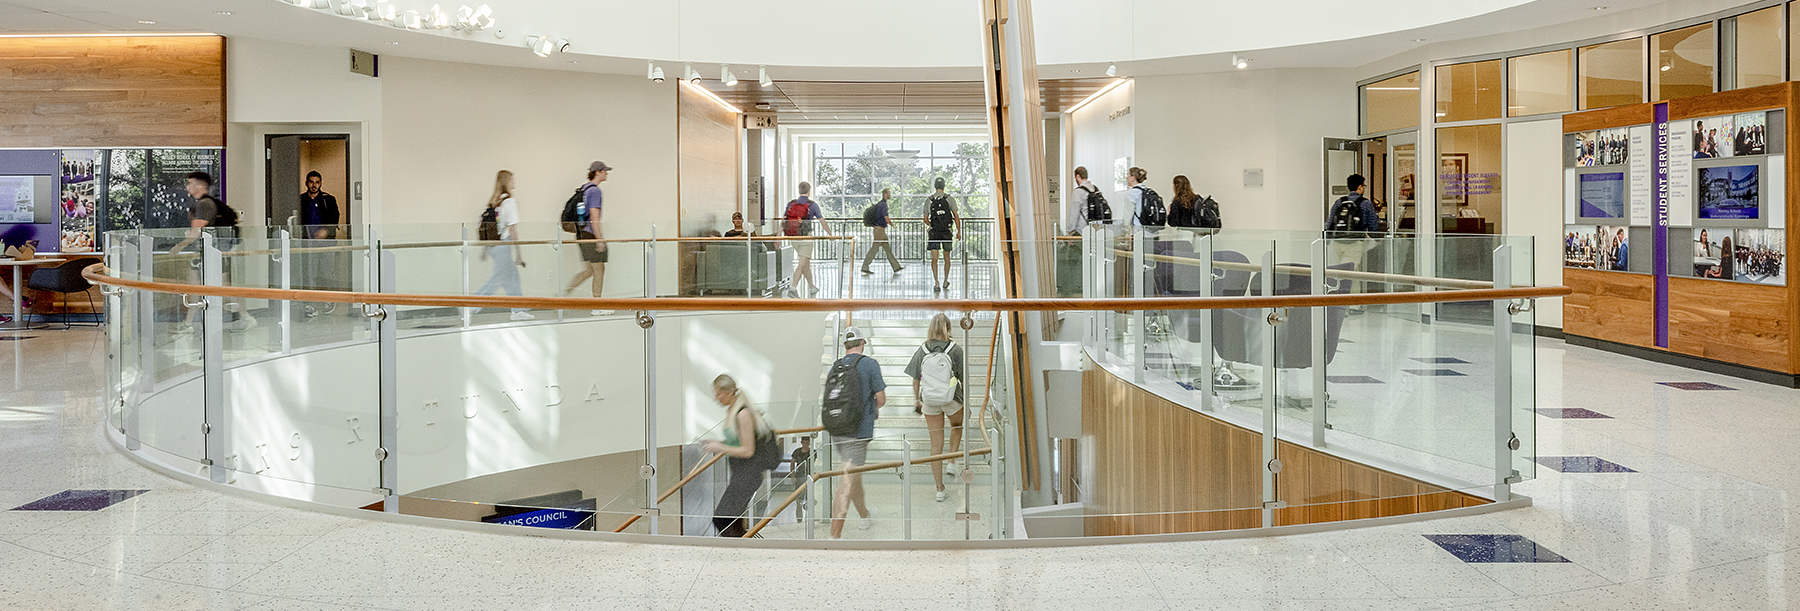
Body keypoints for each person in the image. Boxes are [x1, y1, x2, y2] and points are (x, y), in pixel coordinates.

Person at [168, 172, 251, 331]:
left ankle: (246, 317)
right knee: (197, 288)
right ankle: (189, 323)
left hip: (210, 253)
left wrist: (178, 246)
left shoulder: (204, 204)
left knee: (221, 287)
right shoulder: (205, 203)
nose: (188, 186)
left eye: (190, 183)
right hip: (209, 253)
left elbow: (196, 231)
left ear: (200, 185)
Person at [699, 374, 777, 538]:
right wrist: (718, 442)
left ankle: (743, 550)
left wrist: (720, 447)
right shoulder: (732, 411)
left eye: (718, 394)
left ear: (728, 392)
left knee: (722, 519)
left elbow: (748, 450)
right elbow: (737, 440)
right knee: (731, 521)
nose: (716, 398)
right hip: (739, 473)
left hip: (748, 474)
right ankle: (742, 552)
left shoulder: (743, 413)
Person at [829, 326, 885, 539]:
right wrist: (873, 407)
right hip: (858, 432)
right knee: (848, 480)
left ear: (845, 345)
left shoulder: (836, 366)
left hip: (837, 430)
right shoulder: (869, 364)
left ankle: (864, 515)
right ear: (863, 343)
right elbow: (881, 399)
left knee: (854, 476)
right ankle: (834, 536)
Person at [904, 313, 966, 503]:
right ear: (948, 327)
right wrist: (968, 403)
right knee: (957, 426)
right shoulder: (955, 349)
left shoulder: (922, 349)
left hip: (929, 400)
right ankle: (952, 461)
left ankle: (939, 489)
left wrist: (917, 400)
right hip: (951, 398)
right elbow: (963, 378)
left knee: (935, 446)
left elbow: (915, 379)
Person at [475, 170, 532, 321]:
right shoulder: (510, 202)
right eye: (512, 180)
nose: (515, 183)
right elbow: (512, 229)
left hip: (493, 246)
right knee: (497, 279)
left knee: (513, 277)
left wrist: (484, 250)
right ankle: (470, 306)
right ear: (507, 182)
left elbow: (488, 227)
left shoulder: (495, 202)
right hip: (503, 245)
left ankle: (518, 310)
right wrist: (519, 254)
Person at [562, 162, 611, 314]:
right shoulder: (595, 191)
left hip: (581, 234)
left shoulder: (584, 189)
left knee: (589, 271)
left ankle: (562, 296)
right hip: (590, 235)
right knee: (599, 270)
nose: (606, 174)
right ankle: (597, 307)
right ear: (597, 172)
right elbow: (594, 218)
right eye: (605, 171)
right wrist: (599, 240)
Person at [297, 171, 341, 319]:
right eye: (311, 182)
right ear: (306, 183)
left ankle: (329, 300)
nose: (314, 185)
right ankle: (309, 303)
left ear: (321, 183)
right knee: (310, 273)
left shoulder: (328, 199)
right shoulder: (301, 200)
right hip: (307, 242)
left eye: (317, 182)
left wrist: (325, 231)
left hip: (326, 242)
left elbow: (335, 217)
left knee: (327, 272)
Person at [784, 181, 830, 297]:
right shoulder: (812, 205)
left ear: (799, 190)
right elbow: (822, 221)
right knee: (801, 264)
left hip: (794, 238)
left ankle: (812, 287)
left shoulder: (791, 204)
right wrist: (830, 234)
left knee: (805, 264)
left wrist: (778, 237)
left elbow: (783, 221)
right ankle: (793, 288)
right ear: (809, 192)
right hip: (806, 238)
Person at [924, 177, 962, 293]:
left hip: (934, 233)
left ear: (935, 186)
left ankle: (936, 283)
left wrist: (933, 225)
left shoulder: (929, 200)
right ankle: (945, 281)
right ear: (944, 186)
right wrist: (958, 232)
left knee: (934, 259)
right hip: (947, 232)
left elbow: (925, 219)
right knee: (947, 257)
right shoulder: (949, 199)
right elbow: (956, 217)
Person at [860, 188, 903, 275]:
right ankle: (865, 266)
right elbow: (886, 217)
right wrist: (892, 224)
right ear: (885, 194)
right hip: (879, 230)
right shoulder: (883, 205)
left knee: (887, 249)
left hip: (880, 230)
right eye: (889, 193)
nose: (890, 195)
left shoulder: (880, 204)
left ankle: (896, 267)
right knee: (874, 249)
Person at [1070, 166, 1100, 235]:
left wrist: (1070, 230)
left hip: (1082, 230)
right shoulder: (1095, 189)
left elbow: (1074, 213)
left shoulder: (1078, 192)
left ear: (1077, 176)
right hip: (1095, 230)